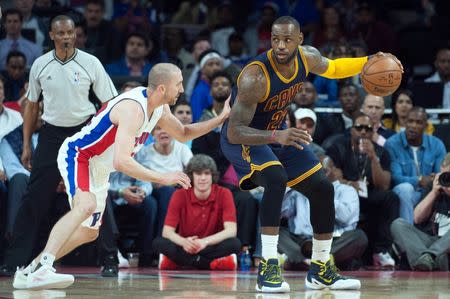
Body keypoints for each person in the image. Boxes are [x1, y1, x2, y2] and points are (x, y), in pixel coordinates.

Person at [220, 16, 401, 292]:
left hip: (277, 132)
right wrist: (276, 135)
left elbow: (335, 67)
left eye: (287, 39)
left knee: (322, 188)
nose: (280, 45)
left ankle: (320, 268)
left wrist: (370, 61)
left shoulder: (308, 58)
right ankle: (268, 265)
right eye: (276, 39)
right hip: (245, 137)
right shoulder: (254, 76)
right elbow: (234, 131)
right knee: (276, 178)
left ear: (300, 40)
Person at [13, 62, 231, 290]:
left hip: (100, 167)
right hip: (81, 156)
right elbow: (122, 161)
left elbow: (184, 132)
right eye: (179, 84)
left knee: (89, 232)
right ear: (163, 88)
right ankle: (44, 268)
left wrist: (221, 118)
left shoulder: (159, 108)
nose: (182, 90)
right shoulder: (133, 109)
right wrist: (163, 177)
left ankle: (30, 270)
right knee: (85, 205)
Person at [0, 15, 118, 277]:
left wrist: (105, 139)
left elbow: (110, 103)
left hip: (85, 133)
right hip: (51, 134)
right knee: (35, 196)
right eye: (61, 33)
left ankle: (110, 257)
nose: (66, 37)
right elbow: (31, 106)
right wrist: (28, 146)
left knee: (96, 195)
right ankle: (15, 258)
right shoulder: (41, 65)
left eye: (70, 33)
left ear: (75, 34)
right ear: (51, 36)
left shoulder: (91, 63)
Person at [153, 154, 241, 270]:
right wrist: (184, 242)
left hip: (211, 244)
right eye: (198, 174)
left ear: (212, 175)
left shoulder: (224, 193)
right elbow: (167, 232)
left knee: (234, 243)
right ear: (192, 176)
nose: (203, 178)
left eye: (206, 173)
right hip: (187, 246)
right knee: (159, 242)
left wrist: (204, 242)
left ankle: (181, 262)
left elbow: (231, 231)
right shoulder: (180, 194)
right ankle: (209, 263)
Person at [385, 107, 446, 224]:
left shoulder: (437, 144)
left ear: (426, 126)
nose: (413, 125)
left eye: (418, 122)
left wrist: (431, 181)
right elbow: (395, 178)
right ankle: (407, 235)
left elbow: (440, 175)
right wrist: (419, 180)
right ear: (405, 122)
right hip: (403, 193)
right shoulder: (392, 144)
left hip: (428, 192)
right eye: (410, 121)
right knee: (405, 188)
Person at [390, 153, 450, 271]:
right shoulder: (435, 188)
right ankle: (427, 262)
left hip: (447, 247)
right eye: (446, 175)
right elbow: (417, 218)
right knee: (398, 224)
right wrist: (433, 192)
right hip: (430, 242)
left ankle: (431, 257)